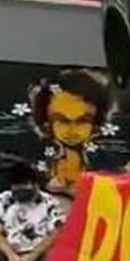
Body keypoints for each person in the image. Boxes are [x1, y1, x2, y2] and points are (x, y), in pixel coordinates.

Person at [29, 68, 112, 197]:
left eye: (82, 121)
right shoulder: (38, 161)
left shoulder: (104, 161)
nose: (72, 130)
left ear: (96, 123)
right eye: (62, 121)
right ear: (46, 123)